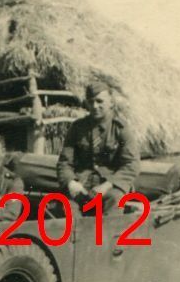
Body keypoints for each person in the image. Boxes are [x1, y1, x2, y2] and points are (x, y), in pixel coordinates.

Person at [56, 77, 141, 213]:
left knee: (114, 200)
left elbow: (131, 164)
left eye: (100, 101)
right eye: (91, 102)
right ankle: (75, 234)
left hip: (111, 185)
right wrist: (71, 183)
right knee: (67, 206)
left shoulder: (120, 129)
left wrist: (107, 185)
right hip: (82, 185)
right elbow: (64, 162)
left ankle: (109, 234)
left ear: (111, 103)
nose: (95, 106)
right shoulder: (77, 128)